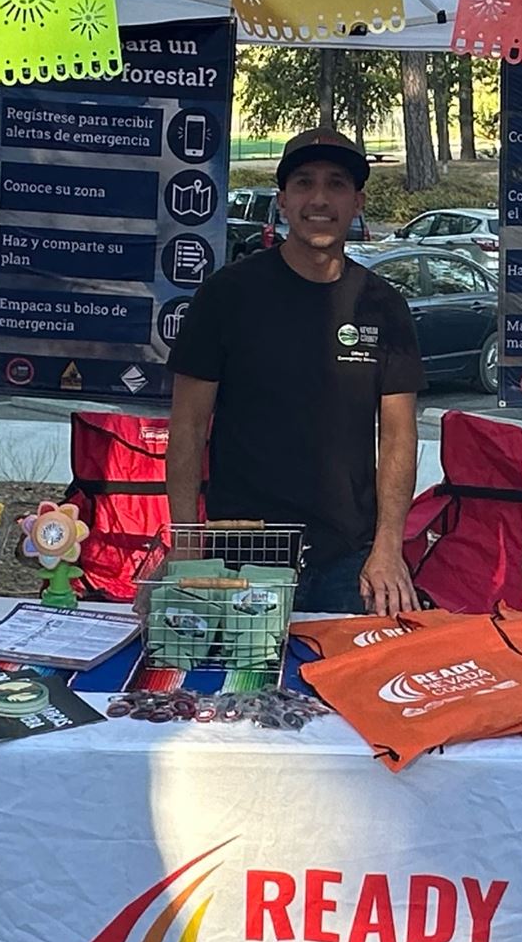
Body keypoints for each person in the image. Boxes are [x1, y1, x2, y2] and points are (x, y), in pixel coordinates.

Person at [167, 128, 424, 615]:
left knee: (344, 690)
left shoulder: (383, 306)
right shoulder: (228, 296)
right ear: (282, 200)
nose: (319, 199)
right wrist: (185, 540)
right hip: (239, 556)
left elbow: (398, 438)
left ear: (358, 202)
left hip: (348, 558)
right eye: (304, 184)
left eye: (336, 184)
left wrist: (388, 547)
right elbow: (188, 427)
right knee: (232, 690)